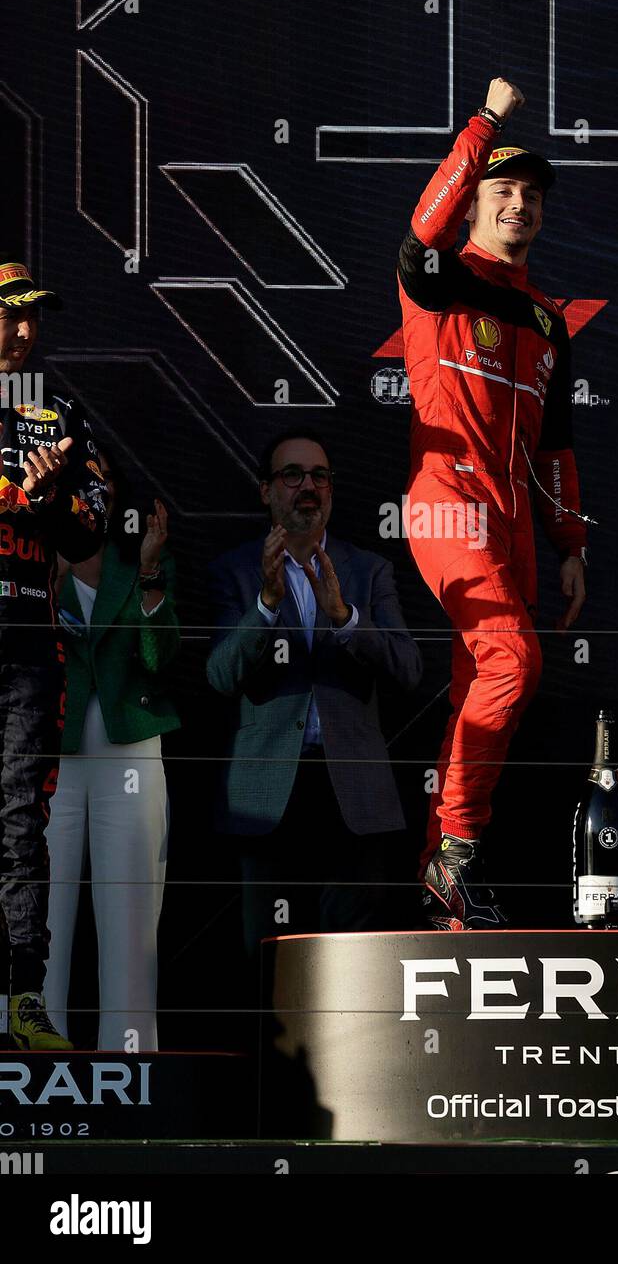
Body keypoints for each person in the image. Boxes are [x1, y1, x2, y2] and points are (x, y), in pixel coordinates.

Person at [397, 79, 590, 930]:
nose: (521, 202)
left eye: (533, 194)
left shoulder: (550, 321)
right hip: (446, 502)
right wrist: (484, 124)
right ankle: (457, 850)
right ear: (475, 200)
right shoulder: (438, 279)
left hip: (513, 523)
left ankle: (447, 885)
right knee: (514, 662)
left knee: (484, 679)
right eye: (505, 189)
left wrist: (569, 541)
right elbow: (418, 234)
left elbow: (556, 444)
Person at [206, 428, 423, 967]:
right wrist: (265, 604)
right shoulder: (234, 571)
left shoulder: (367, 570)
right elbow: (219, 676)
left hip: (352, 793)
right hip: (267, 796)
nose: (309, 486)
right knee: (269, 960)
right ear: (266, 491)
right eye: (294, 475)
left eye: (320, 476)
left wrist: (346, 619)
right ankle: (276, 1055)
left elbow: (410, 669)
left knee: (353, 965)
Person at [0, 258, 107, 1048]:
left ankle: (24, 1001)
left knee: (15, 826)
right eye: (11, 314)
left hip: (26, 653)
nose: (26, 332)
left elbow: (94, 525)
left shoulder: (53, 411)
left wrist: (55, 502)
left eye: (34, 316)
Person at [43, 450, 180, 1050]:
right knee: (35, 909)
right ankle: (29, 1044)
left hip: (131, 749)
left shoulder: (139, 563)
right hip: (47, 750)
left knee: (130, 914)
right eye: (77, 484)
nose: (87, 496)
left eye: (99, 486)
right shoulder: (24, 561)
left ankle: (132, 1058)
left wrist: (150, 576)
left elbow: (159, 660)